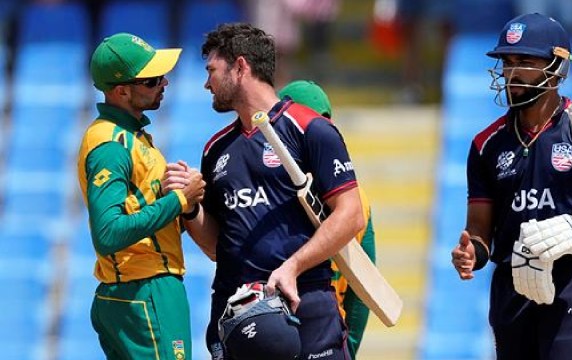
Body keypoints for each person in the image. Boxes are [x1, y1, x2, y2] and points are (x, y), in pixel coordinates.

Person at [164, 23, 364, 359]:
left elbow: (351, 215)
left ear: (240, 67)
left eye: (211, 70)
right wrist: (190, 208)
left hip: (304, 302)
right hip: (237, 313)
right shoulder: (216, 149)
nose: (206, 83)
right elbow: (217, 247)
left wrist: (293, 267)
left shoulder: (310, 128)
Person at [450, 13, 572, 359]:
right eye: (507, 62)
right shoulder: (485, 145)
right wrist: (471, 254)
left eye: (525, 61)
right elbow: (479, 232)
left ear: (556, 67)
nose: (511, 73)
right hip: (513, 288)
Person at [77, 32, 205, 359]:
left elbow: (145, 216)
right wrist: (178, 200)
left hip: (143, 288)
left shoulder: (135, 138)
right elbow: (107, 233)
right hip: (144, 288)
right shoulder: (111, 145)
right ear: (121, 91)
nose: (164, 83)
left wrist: (173, 198)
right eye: (151, 80)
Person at [277, 79, 377, 358]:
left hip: (326, 330)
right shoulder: (356, 199)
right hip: (278, 328)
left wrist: (350, 346)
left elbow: (364, 284)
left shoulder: (357, 202)